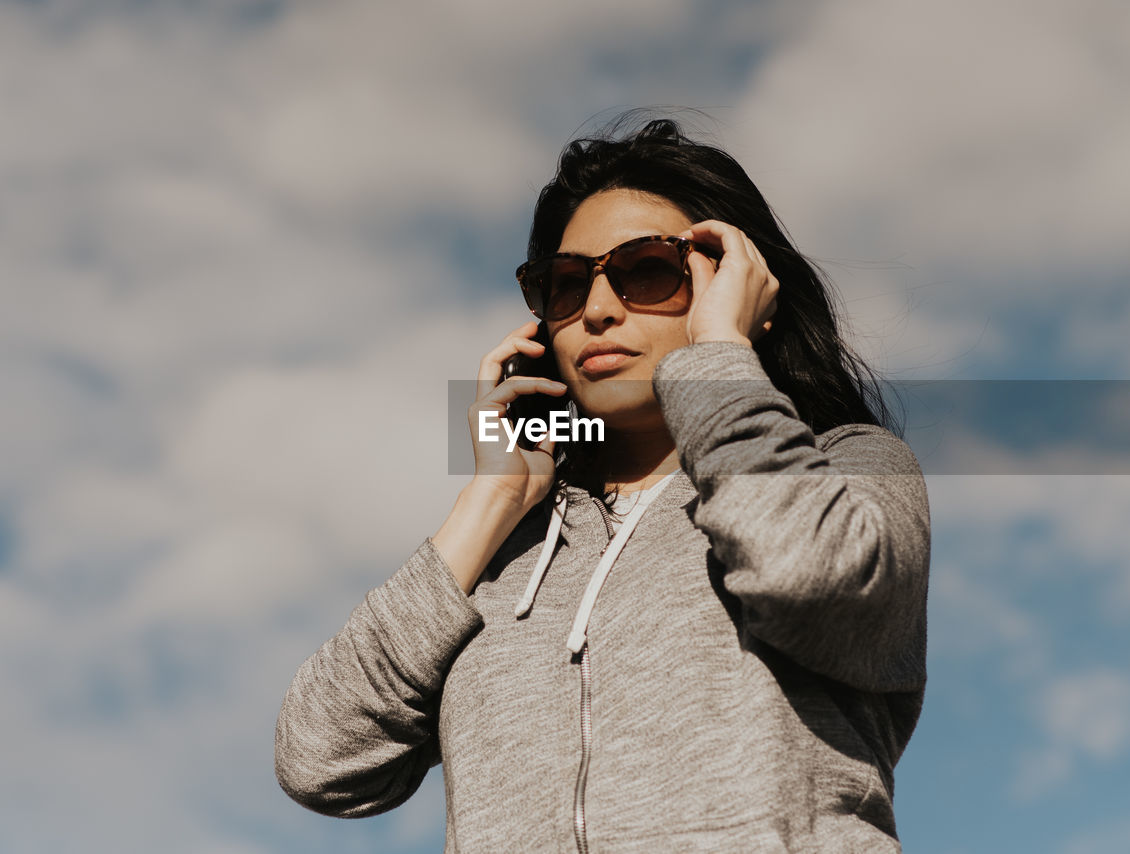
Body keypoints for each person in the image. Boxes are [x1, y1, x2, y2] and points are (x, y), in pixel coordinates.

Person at [275, 116, 931, 853]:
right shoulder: (510, 543)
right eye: (565, 284)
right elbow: (319, 758)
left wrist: (720, 353)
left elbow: (807, 576)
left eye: (647, 270)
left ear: (743, 285)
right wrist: (491, 502)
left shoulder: (852, 467)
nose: (596, 310)